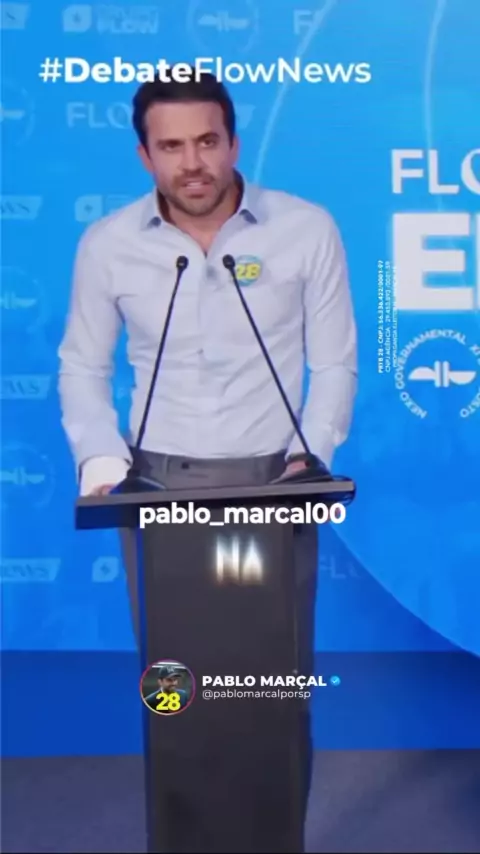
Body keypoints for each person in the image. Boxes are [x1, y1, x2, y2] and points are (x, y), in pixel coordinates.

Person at [58, 68, 357, 850]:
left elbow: (335, 363)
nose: (192, 162)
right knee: (175, 693)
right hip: (159, 491)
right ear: (145, 156)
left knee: (270, 695)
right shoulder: (108, 244)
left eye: (206, 141)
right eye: (171, 147)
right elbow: (82, 366)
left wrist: (310, 456)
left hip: (273, 487)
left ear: (232, 142)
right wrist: (101, 461)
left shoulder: (305, 229)